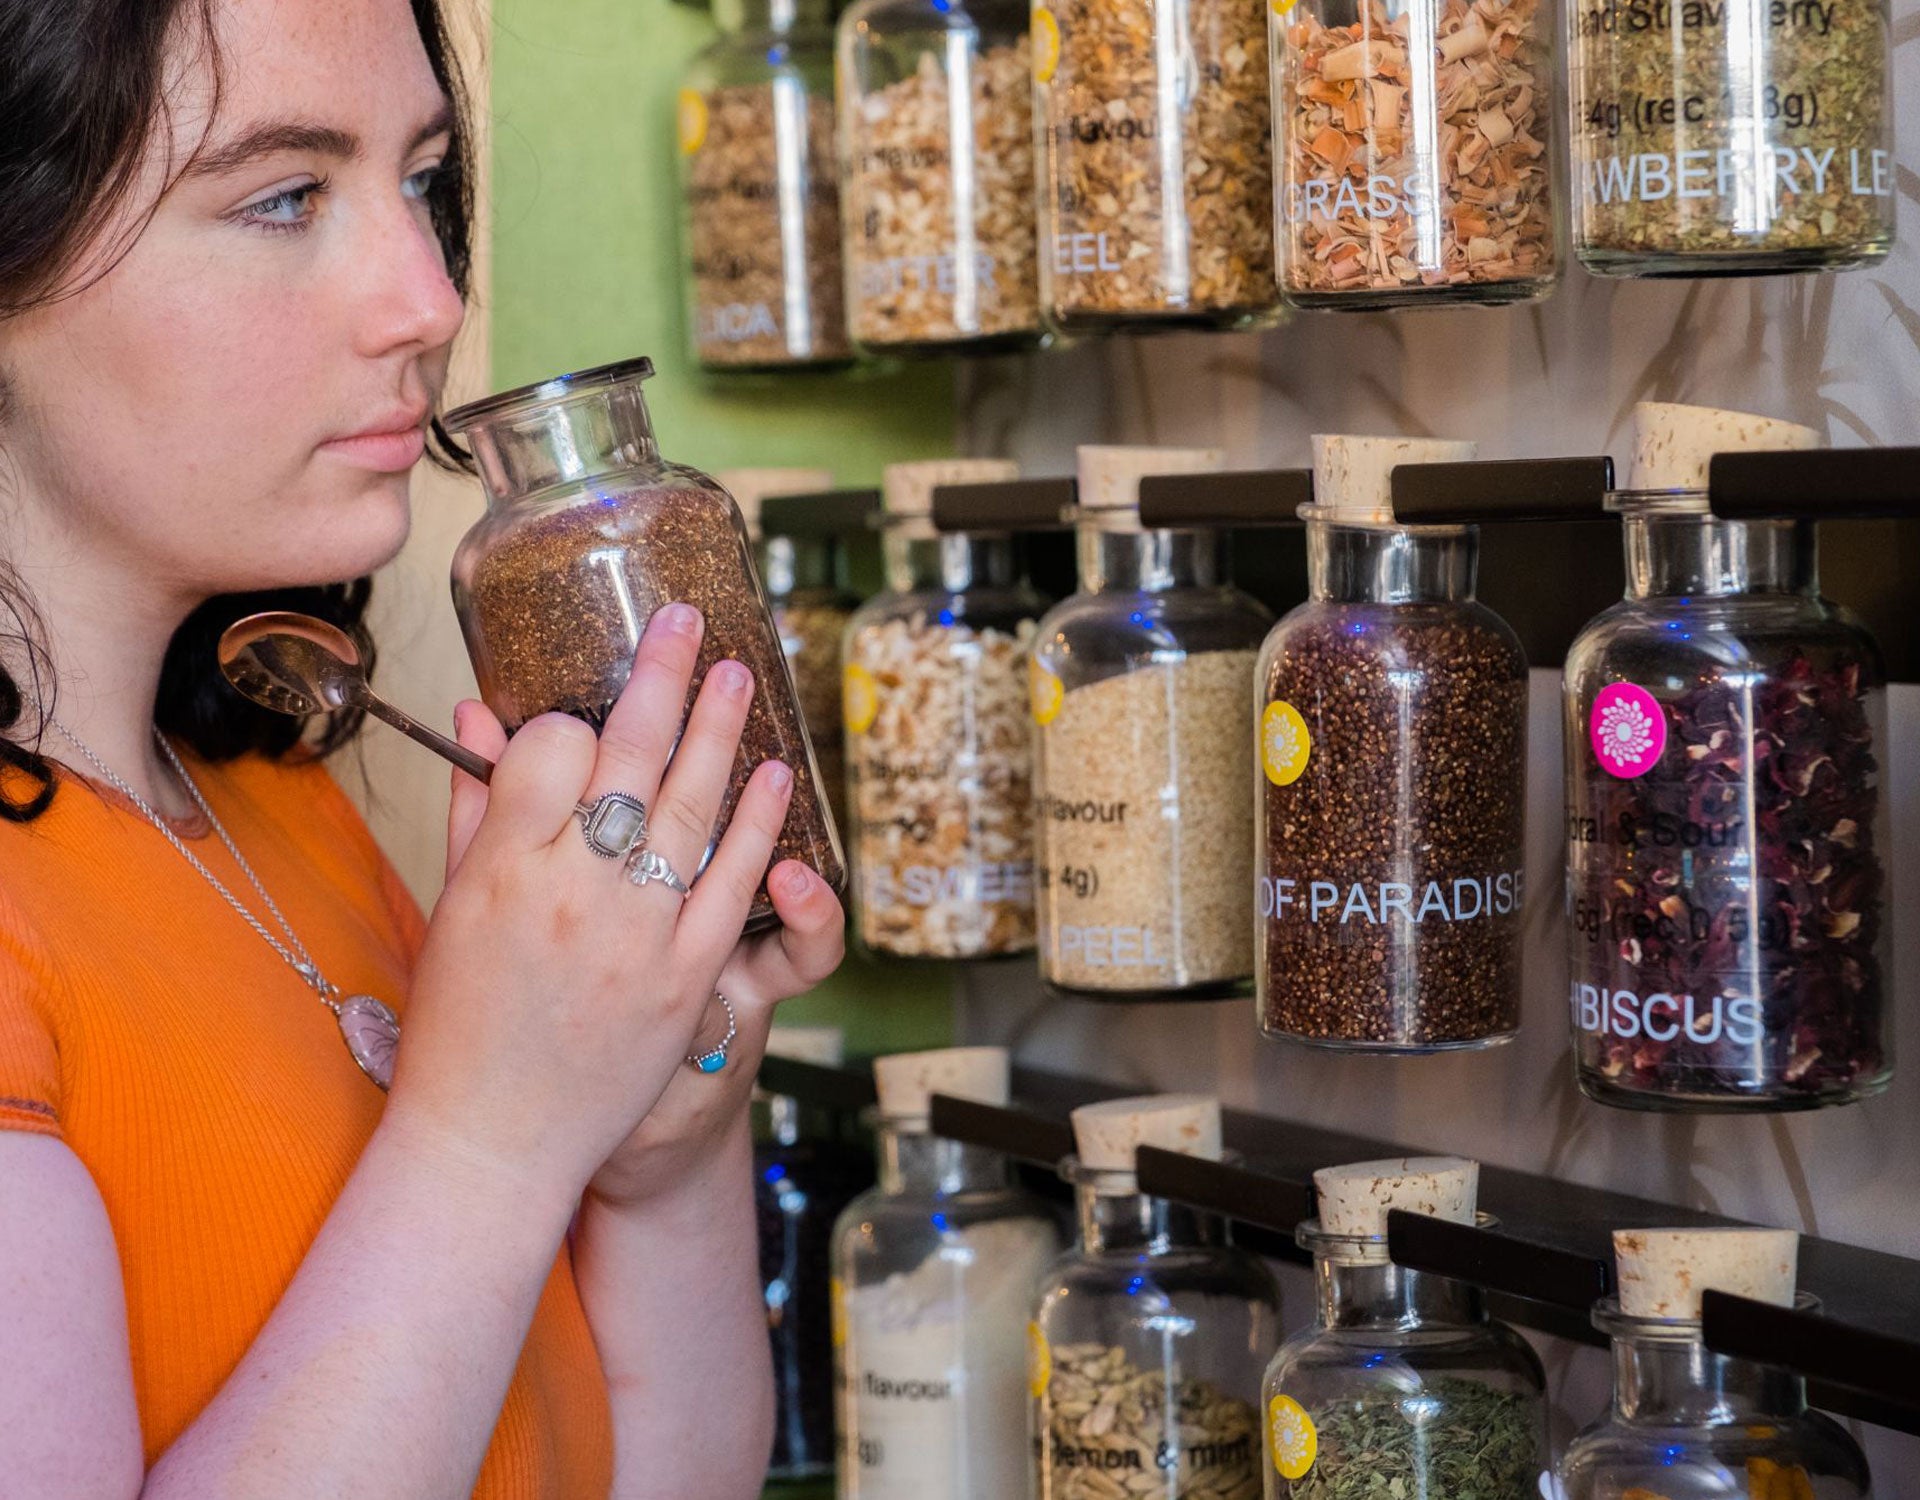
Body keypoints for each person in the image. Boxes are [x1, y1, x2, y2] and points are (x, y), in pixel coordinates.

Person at [0, 1, 847, 1496]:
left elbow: (651, 1474)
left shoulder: (274, 804)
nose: (431, 299)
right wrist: (488, 1138)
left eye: (426, 181)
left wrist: (659, 1159)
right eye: (284, 196)